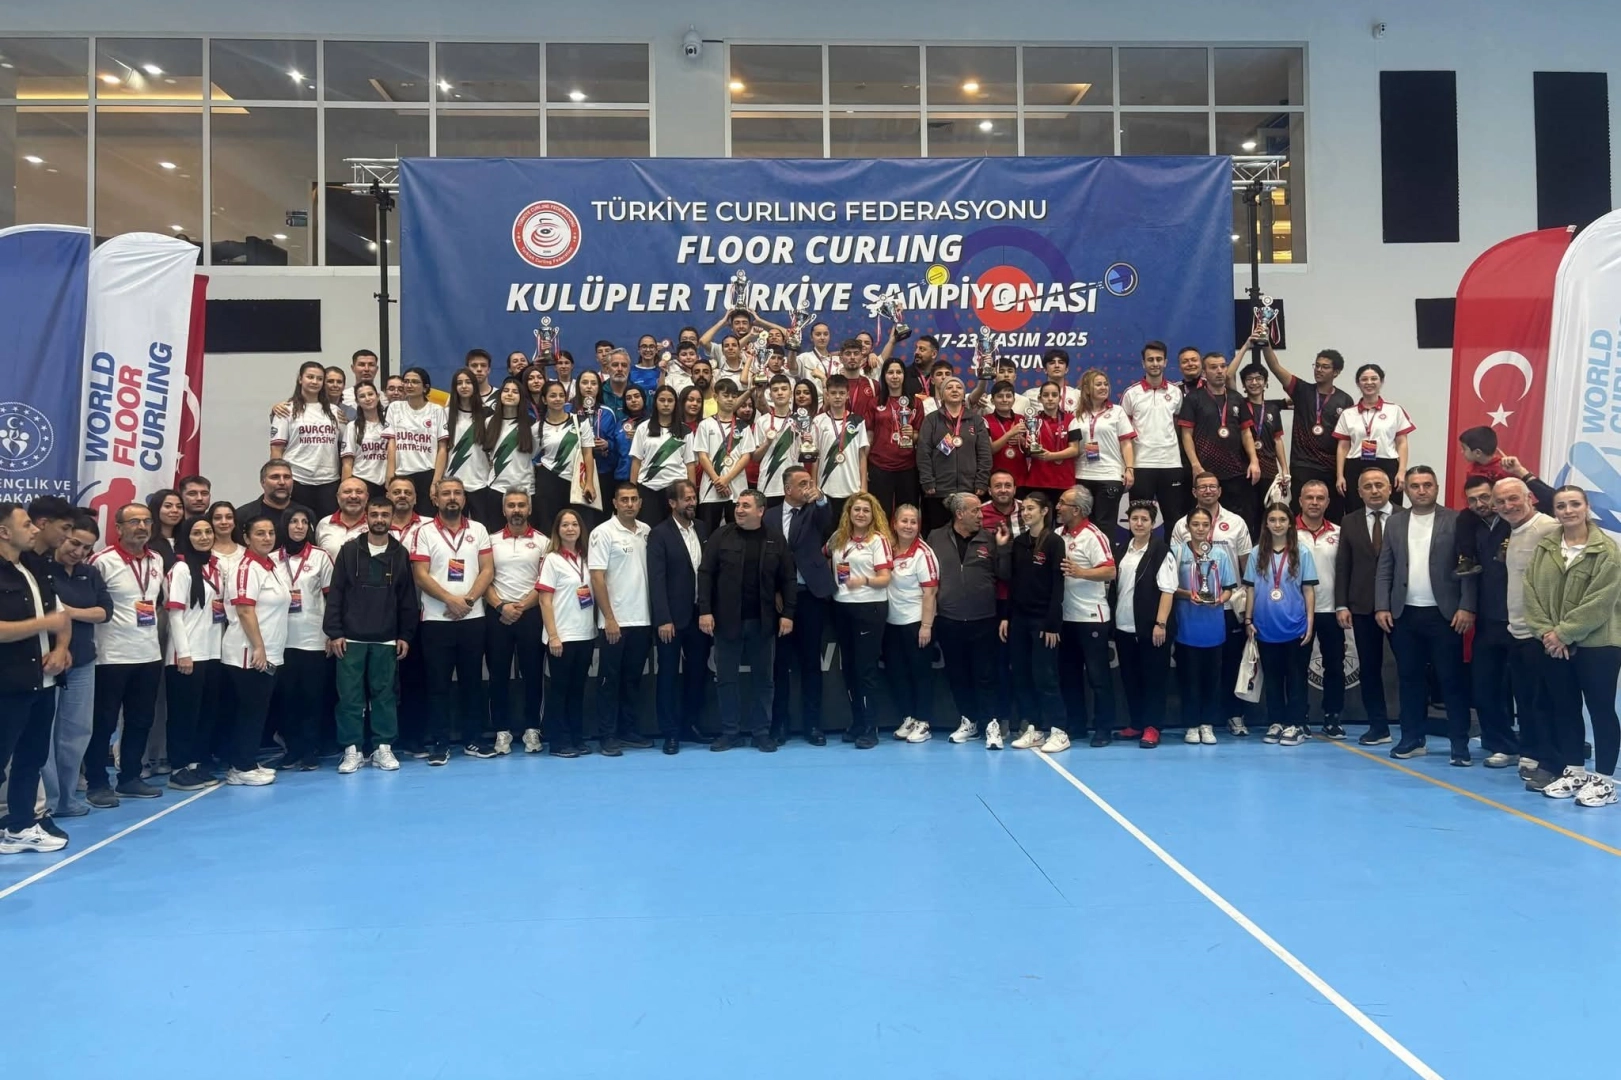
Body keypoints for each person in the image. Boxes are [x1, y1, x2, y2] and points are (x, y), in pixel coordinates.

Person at [1523, 485, 1619, 807]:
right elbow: (1531, 592)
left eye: (1574, 504)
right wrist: (1546, 633)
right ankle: (1575, 771)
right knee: (1564, 707)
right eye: (1561, 505)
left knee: (1601, 709)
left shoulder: (1607, 550)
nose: (1568, 510)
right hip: (1554, 644)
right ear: (1555, 511)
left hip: (1598, 644)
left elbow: (1601, 601)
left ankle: (1604, 781)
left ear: (1586, 506)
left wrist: (1564, 633)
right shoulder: (1545, 548)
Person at [1374, 466, 1476, 764]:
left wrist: (1467, 606)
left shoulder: (1456, 520)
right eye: (1415, 485)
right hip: (1404, 615)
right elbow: (1385, 567)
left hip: (1446, 615)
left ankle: (1459, 744)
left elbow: (1469, 566)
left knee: (1451, 680)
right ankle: (1412, 739)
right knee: (1409, 679)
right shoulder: (1395, 522)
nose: (1421, 490)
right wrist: (1382, 605)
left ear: (1437, 487)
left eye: (1427, 485)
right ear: (1406, 490)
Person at [698, 489, 796, 752]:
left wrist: (788, 614)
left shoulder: (775, 539)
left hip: (763, 622)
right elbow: (705, 573)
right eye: (738, 505)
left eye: (745, 506)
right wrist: (705, 610)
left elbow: (788, 578)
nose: (739, 510)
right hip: (726, 621)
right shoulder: (721, 536)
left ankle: (761, 732)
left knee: (764, 680)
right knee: (726, 679)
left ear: (761, 511)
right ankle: (730, 732)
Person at [83, 503, 166, 806]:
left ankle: (130, 777)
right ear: (118, 528)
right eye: (134, 522)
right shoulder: (102, 561)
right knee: (103, 723)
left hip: (148, 653)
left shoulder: (157, 559)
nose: (141, 527)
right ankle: (96, 782)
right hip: (111, 656)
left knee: (141, 720)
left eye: (146, 521)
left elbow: (154, 603)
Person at [325, 495, 415, 774]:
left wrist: (405, 635)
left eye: (384, 515)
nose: (379, 519)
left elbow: (407, 598)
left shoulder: (400, 553)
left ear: (391, 518)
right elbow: (336, 593)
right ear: (366, 517)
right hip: (351, 638)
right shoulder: (349, 551)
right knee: (349, 697)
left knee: (384, 695)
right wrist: (335, 632)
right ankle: (352, 750)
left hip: (386, 638)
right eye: (374, 514)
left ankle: (383, 748)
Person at [0, 502, 70, 855]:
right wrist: (43, 624)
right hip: (7, 684)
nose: (34, 529)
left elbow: (60, 615)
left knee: (32, 757)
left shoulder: (33, 567)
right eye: (26, 524)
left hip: (41, 681)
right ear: (4, 532)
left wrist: (61, 648)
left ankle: (20, 825)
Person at [410, 478, 495, 765]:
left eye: (457, 493)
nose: (452, 498)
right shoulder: (423, 532)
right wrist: (450, 599)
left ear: (464, 498)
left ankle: (473, 739)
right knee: (438, 684)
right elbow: (420, 574)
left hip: (473, 617)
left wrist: (467, 600)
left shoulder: (478, 529)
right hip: (436, 619)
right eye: (446, 493)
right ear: (435, 499)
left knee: (473, 681)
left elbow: (487, 570)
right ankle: (440, 742)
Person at [1483, 473, 1560, 776]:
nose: (1508, 505)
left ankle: (1550, 759)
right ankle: (1531, 751)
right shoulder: (1513, 531)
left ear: (1530, 498)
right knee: (1525, 697)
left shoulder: (1548, 528)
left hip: (1542, 633)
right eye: (1500, 501)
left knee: (1543, 700)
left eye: (1514, 498)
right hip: (1516, 629)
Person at [1171, 471, 1255, 737]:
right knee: (1192, 669)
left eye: (1212, 486)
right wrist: (1189, 594)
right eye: (1202, 487)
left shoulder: (1236, 522)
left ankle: (1233, 715)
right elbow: (1174, 570)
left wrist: (1243, 601)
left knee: (1228, 665)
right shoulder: (1180, 526)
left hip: (1227, 607)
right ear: (1194, 492)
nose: (1207, 491)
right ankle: (1193, 722)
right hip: (1191, 610)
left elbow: (1245, 564)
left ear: (1220, 490)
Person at [927, 492, 1010, 746]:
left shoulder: (990, 538)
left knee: (986, 675)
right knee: (957, 675)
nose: (981, 515)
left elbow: (1005, 575)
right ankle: (969, 721)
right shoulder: (935, 537)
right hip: (949, 619)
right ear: (960, 513)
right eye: (975, 511)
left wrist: (1003, 548)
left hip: (984, 619)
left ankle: (991, 723)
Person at [41, 515, 110, 816]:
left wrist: (68, 611)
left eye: (87, 548)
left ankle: (67, 798)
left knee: (77, 732)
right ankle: (48, 801)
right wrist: (81, 612)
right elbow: (45, 614)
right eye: (75, 543)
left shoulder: (89, 573)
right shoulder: (41, 570)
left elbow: (105, 611)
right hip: (48, 662)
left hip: (83, 661)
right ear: (62, 537)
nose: (79, 551)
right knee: (45, 734)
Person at [1045, 486, 1117, 749]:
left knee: (1098, 677)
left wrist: (1080, 572)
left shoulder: (1094, 536)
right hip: (1065, 618)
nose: (1057, 507)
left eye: (1062, 503)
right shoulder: (1056, 535)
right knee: (1069, 675)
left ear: (1076, 510)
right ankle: (1076, 725)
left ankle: (1104, 728)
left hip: (1091, 616)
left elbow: (1110, 571)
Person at [220, 516, 291, 786]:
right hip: (248, 652)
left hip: (270, 651)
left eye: (270, 532)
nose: (267, 537)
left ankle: (247, 760)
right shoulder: (246, 568)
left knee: (258, 710)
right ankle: (240, 767)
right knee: (249, 710)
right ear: (246, 538)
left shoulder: (270, 566)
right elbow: (244, 610)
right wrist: (259, 647)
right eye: (260, 533)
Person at [766, 467, 834, 745]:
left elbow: (827, 519)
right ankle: (779, 724)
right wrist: (774, 591)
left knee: (811, 663)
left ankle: (813, 725)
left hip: (810, 594)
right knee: (780, 665)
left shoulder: (815, 510)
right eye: (802, 483)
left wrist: (821, 498)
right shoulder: (769, 515)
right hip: (780, 598)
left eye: (810, 482)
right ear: (787, 490)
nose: (808, 487)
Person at [588, 484, 656, 755]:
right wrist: (609, 618)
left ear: (640, 503)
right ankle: (607, 735)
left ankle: (628, 731)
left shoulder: (647, 531)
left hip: (643, 619)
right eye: (624, 499)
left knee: (632, 680)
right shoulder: (602, 532)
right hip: (615, 622)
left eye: (633, 499)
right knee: (609, 681)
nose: (629, 504)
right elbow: (597, 577)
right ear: (614, 503)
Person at [1334, 469, 1399, 745]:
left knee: (1409, 668)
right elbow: (1343, 566)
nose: (1374, 490)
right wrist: (1341, 604)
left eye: (1379, 485)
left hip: (1399, 606)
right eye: (1368, 486)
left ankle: (1414, 729)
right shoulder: (1349, 521)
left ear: (1390, 488)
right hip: (1361, 606)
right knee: (1369, 669)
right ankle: (1378, 727)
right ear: (1359, 492)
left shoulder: (1405, 517)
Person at [1256, 336, 1352, 522]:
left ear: (1336, 372)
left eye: (1325, 367)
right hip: (1303, 465)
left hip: (1331, 467)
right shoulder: (1302, 390)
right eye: (1317, 365)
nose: (1319, 370)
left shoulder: (1345, 400)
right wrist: (1266, 343)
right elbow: (1275, 367)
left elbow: (1346, 439)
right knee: (1300, 516)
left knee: (1332, 516)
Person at [1244, 503, 1318, 746]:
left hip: (1295, 627)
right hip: (1265, 628)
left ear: (1290, 524)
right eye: (1272, 520)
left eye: (1282, 520)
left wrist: (1309, 623)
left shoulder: (1302, 552)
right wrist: (1248, 620)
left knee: (1296, 678)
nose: (1277, 524)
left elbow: (1308, 590)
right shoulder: (1257, 553)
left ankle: (1295, 724)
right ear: (1266, 524)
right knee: (1273, 678)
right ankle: (1276, 721)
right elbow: (1250, 589)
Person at [161, 515, 224, 792]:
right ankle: (178, 768)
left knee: (204, 713)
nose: (204, 537)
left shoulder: (215, 567)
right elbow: (175, 615)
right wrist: (183, 654)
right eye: (197, 533)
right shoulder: (181, 568)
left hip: (211, 652)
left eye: (208, 532)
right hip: (186, 655)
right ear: (186, 538)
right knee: (183, 715)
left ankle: (195, 763)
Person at [648, 482, 711, 754]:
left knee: (697, 673)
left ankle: (690, 725)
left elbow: (708, 573)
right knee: (668, 676)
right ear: (672, 503)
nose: (692, 503)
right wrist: (663, 618)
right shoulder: (659, 534)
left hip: (699, 615)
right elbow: (656, 579)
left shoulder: (703, 529)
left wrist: (708, 609)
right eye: (686, 499)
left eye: (694, 498)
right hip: (671, 619)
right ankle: (670, 732)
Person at [482, 490, 545, 757]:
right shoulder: (490, 541)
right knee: (498, 675)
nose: (516, 510)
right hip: (498, 613)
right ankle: (502, 730)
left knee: (533, 674)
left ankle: (532, 728)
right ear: (503, 510)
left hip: (531, 613)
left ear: (529, 509)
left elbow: (545, 582)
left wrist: (521, 607)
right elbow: (483, 578)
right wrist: (501, 606)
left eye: (521, 505)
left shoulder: (543, 541)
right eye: (511, 505)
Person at [1002, 493, 1067, 752]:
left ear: (1044, 511)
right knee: (1022, 674)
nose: (1026, 513)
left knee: (1045, 676)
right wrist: (1007, 616)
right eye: (1024, 509)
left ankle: (1059, 730)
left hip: (1043, 621)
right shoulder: (1019, 542)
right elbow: (1012, 582)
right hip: (1019, 619)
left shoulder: (1054, 542)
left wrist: (1052, 624)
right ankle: (1035, 728)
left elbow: (1058, 585)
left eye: (1031, 508)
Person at [828, 493, 892, 749]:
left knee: (866, 669)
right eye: (857, 510)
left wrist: (864, 580)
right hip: (842, 605)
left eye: (866, 510)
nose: (861, 514)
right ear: (849, 513)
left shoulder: (878, 540)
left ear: (873, 514)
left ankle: (870, 726)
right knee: (849, 668)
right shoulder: (838, 538)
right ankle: (856, 722)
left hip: (869, 606)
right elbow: (823, 557)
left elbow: (885, 578)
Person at [1170, 507, 1240, 744]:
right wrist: (1188, 594)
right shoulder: (1177, 552)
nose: (1200, 529)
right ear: (1187, 527)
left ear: (1210, 528)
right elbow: (1168, 588)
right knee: (1189, 679)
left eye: (1205, 525)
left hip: (1214, 626)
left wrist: (1220, 599)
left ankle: (1207, 724)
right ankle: (1191, 725)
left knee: (1212, 679)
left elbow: (1229, 588)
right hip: (1186, 626)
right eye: (1195, 524)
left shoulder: (1219, 554)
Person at [1111, 501, 1177, 749]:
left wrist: (1161, 624)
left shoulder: (1161, 551)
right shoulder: (1122, 550)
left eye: (1144, 519)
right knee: (1131, 678)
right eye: (1134, 519)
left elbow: (1168, 590)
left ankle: (1152, 726)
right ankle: (1137, 723)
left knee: (1154, 679)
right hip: (1124, 627)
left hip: (1152, 628)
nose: (1139, 523)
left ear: (1153, 524)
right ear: (1128, 522)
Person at [273, 508, 333, 771]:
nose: (299, 526)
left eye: (304, 522)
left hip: (313, 639)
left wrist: (332, 633)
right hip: (281, 640)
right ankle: (292, 749)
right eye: (293, 521)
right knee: (287, 698)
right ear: (284, 526)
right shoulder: (271, 559)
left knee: (312, 697)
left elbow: (333, 599)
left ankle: (310, 750)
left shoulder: (320, 557)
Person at [534, 509, 595, 758]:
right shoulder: (552, 559)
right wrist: (553, 635)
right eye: (565, 525)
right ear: (557, 530)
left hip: (585, 634)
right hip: (562, 635)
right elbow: (544, 600)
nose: (570, 529)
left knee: (577, 689)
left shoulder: (587, 558)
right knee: (559, 690)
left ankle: (576, 737)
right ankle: (558, 742)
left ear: (581, 529)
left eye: (574, 524)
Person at [1178, 352, 1261, 526]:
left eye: (1223, 366)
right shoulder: (1193, 398)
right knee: (1202, 520)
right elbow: (1186, 435)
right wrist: (1195, 465)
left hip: (1235, 471)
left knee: (1238, 521)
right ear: (1204, 372)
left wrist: (1254, 461)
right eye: (1214, 367)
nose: (1219, 371)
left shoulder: (1236, 398)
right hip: (1205, 473)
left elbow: (1246, 432)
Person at [1295, 481, 1346, 738]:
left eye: (1320, 498)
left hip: (1331, 610)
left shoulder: (1340, 533)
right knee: (1297, 668)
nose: (1314, 502)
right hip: (1296, 612)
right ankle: (1299, 717)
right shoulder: (1287, 532)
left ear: (1327, 502)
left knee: (1335, 667)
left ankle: (1332, 717)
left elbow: (1347, 572)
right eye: (1309, 497)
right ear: (1300, 501)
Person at [886, 504, 940, 745]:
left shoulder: (924, 553)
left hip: (916, 622)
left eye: (913, 522)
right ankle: (908, 717)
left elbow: (930, 593)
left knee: (921, 674)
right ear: (894, 523)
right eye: (904, 521)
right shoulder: (887, 549)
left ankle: (923, 721)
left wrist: (926, 626)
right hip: (891, 622)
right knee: (897, 673)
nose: (908, 526)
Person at [1123, 342, 1188, 533]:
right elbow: (1123, 434)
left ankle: (1173, 553)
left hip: (1171, 464)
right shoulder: (1131, 393)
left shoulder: (1176, 392)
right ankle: (1137, 553)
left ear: (1165, 362)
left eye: (1159, 359)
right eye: (1150, 359)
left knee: (1174, 519)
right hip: (1141, 465)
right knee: (1139, 520)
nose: (1155, 363)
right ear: (1143, 363)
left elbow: (1180, 427)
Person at [269, 360, 347, 518]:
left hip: (329, 481)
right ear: (300, 379)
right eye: (310, 377)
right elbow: (276, 450)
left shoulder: (334, 411)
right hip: (298, 479)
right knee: (297, 526)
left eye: (319, 378)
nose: (315, 382)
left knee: (327, 527)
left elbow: (347, 446)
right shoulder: (286, 410)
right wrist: (278, 478)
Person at [1064, 369, 1136, 535]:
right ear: (1087, 389)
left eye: (1105, 384)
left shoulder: (1117, 411)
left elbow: (1126, 443)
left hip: (1109, 475)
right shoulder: (1076, 415)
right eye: (1098, 384)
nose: (1104, 387)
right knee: (1082, 525)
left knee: (1104, 525)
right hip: (1082, 475)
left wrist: (1130, 469)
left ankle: (1106, 553)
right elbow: (1073, 447)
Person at [917, 376, 992, 534]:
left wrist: (981, 481)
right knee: (938, 534)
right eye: (949, 387)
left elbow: (984, 454)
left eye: (958, 387)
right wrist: (927, 481)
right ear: (942, 394)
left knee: (968, 533)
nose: (954, 390)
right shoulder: (931, 420)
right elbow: (923, 452)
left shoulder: (976, 420)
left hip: (969, 490)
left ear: (964, 394)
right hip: (939, 490)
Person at [1334, 364, 1412, 514]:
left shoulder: (1394, 410)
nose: (1369, 382)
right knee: (1355, 510)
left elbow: (1402, 442)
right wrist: (1340, 475)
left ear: (1381, 381)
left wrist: (1402, 471)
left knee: (1392, 511)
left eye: (1374, 379)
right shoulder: (1348, 414)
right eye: (1364, 379)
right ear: (1358, 383)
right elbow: (1343, 446)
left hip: (1387, 464)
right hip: (1355, 465)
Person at [692, 378, 757, 532]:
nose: (730, 400)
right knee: (709, 533)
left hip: (736, 490)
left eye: (734, 396)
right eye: (726, 395)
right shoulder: (705, 424)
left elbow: (746, 457)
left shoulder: (743, 426)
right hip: (710, 490)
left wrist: (726, 479)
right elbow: (702, 456)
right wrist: (717, 481)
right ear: (716, 397)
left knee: (737, 533)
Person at [533, 379, 596, 532]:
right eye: (553, 395)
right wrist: (537, 465)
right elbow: (529, 455)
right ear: (544, 400)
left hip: (577, 481)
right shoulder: (537, 427)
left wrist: (589, 482)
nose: (558, 399)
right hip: (549, 481)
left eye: (561, 395)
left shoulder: (580, 421)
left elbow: (588, 454)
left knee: (580, 525)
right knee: (549, 526)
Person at [1451, 426, 1515, 576]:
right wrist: (1473, 506)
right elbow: (1470, 492)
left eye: (1464, 449)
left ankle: (1506, 547)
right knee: (1464, 518)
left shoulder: (1503, 467)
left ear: (1478, 452)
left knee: (1508, 518)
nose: (1462, 452)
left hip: (1503, 509)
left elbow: (1513, 492)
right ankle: (1467, 558)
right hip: (1483, 511)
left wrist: (1501, 505)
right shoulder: (1471, 470)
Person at [385, 367, 450, 516]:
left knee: (427, 518)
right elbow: (392, 443)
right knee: (399, 516)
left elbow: (442, 448)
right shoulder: (395, 407)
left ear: (425, 387)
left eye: (415, 382)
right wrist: (390, 473)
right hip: (401, 473)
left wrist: (436, 481)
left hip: (427, 473)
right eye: (406, 381)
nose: (409, 385)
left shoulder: (437, 410)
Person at [867, 358, 925, 518]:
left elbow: (921, 436)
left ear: (904, 375)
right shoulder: (874, 403)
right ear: (884, 376)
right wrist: (864, 466)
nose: (894, 376)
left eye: (898, 372)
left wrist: (912, 434)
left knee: (907, 514)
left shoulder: (916, 403)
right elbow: (869, 436)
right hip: (879, 466)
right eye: (890, 372)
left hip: (907, 467)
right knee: (880, 514)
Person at [811, 374, 869, 527]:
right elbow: (815, 457)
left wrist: (863, 487)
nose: (837, 397)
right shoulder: (818, 421)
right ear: (827, 395)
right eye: (833, 393)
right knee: (827, 530)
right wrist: (814, 485)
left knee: (849, 531)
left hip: (852, 487)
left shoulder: (857, 421)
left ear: (847, 395)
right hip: (826, 488)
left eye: (841, 393)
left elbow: (862, 456)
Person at [1236, 363, 1288, 536]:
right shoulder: (1239, 405)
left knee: (1268, 514)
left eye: (1258, 379)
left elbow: (1277, 439)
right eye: (1249, 379)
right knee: (1248, 514)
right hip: (1246, 469)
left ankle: (1265, 548)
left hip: (1270, 470)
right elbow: (1228, 376)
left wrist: (1284, 470)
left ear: (1265, 382)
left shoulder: (1272, 409)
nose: (1254, 383)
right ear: (1243, 384)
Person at [629, 385, 692, 528]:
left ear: (676, 403)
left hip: (676, 489)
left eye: (670, 400)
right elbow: (636, 461)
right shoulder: (643, 428)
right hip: (648, 489)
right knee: (648, 531)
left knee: (677, 532)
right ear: (655, 402)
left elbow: (690, 464)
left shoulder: (685, 430)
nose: (666, 404)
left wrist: (691, 493)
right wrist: (633, 491)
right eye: (662, 400)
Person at [444, 367, 499, 530]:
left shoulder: (488, 414)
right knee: (451, 529)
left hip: (480, 482)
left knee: (482, 530)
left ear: (475, 386)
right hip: (452, 482)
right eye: (459, 383)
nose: (464, 386)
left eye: (468, 382)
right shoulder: (445, 414)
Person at [485, 376, 537, 508]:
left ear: (521, 397)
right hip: (496, 487)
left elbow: (534, 453)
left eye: (515, 392)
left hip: (524, 488)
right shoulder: (489, 422)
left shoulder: (532, 424)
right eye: (506, 390)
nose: (509, 394)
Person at [235, 459, 309, 549]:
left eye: (287, 477)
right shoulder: (242, 516)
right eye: (275, 477)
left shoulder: (306, 514)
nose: (282, 482)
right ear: (263, 482)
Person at [751, 374, 800, 507]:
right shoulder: (762, 421)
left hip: (795, 484)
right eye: (775, 390)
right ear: (770, 395)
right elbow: (755, 457)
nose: (780, 393)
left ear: (791, 393)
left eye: (784, 389)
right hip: (769, 484)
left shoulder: (801, 420)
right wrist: (767, 442)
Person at [341, 383, 394, 499]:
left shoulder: (390, 424)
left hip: (386, 483)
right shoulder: (352, 427)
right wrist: (346, 490)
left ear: (378, 396)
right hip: (361, 481)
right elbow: (347, 463)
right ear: (357, 401)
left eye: (370, 394)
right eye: (362, 396)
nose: (367, 398)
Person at [316, 478, 371, 561]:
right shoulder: (324, 523)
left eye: (359, 492)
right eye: (347, 492)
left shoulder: (375, 525)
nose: (353, 496)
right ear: (338, 497)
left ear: (367, 497)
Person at [147, 488, 184, 569]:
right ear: (156, 509)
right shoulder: (146, 542)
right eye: (168, 506)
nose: (175, 510)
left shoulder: (186, 541)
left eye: (179, 507)